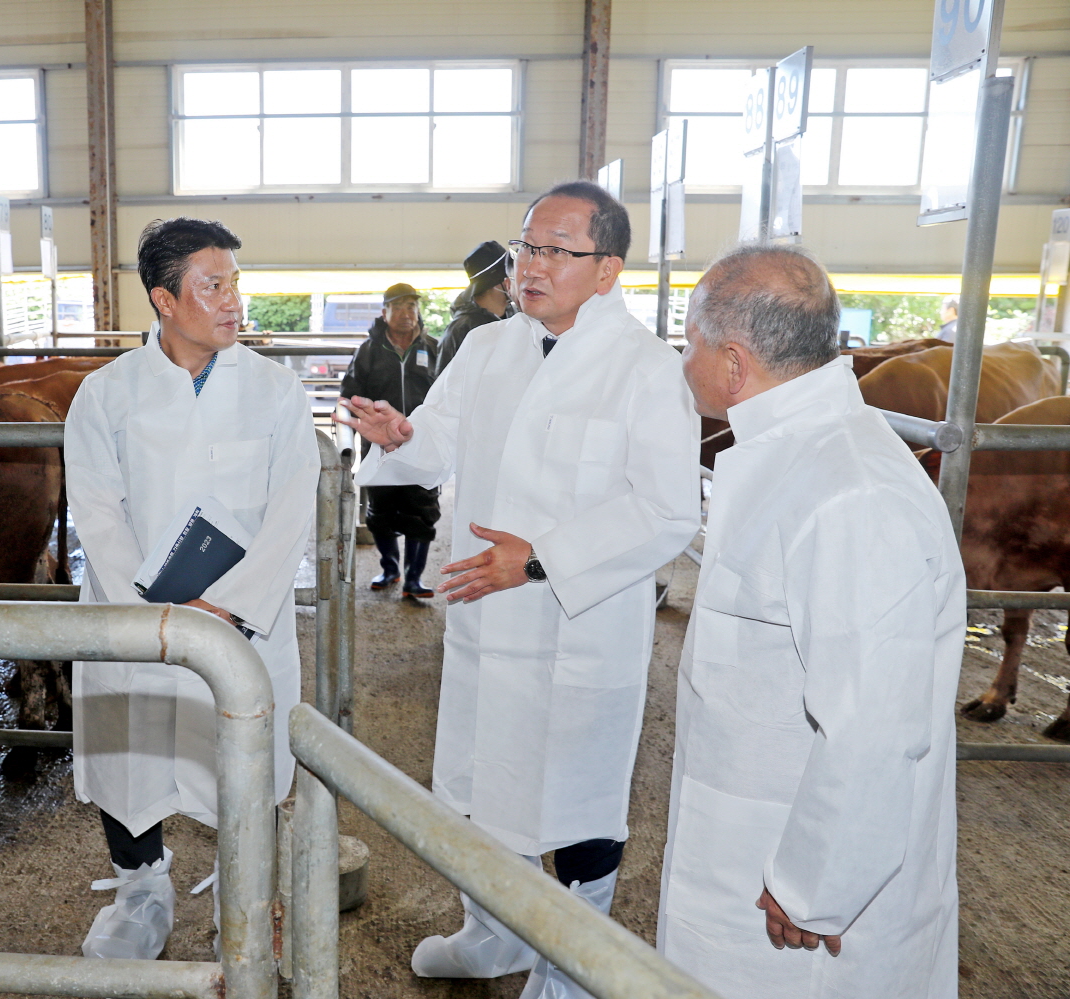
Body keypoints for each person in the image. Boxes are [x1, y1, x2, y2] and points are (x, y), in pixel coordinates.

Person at [338, 181, 701, 999]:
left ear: (607, 269)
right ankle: (491, 931)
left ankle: (572, 963)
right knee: (480, 783)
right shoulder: (491, 346)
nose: (530, 266)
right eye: (525, 247)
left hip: (579, 622)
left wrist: (539, 559)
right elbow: (434, 444)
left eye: (555, 251)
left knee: (578, 796)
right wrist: (402, 437)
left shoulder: (645, 368)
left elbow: (668, 510)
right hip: (487, 612)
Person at [658, 244, 964, 998]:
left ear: (733, 361)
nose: (682, 359)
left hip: (800, 910)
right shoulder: (792, 456)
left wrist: (815, 882)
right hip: (747, 847)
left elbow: (877, 722)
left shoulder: (848, 491)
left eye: (689, 341)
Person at [64, 217, 319, 961]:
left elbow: (289, 511)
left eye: (235, 282)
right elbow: (99, 515)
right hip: (136, 618)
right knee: (131, 760)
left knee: (247, 766)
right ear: (165, 299)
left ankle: (244, 902)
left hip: (245, 622)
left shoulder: (276, 391)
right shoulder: (105, 395)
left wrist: (226, 607)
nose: (233, 299)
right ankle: (141, 887)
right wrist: (156, 611)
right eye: (214, 285)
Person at [339, 282, 441, 598]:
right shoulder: (368, 351)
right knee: (381, 511)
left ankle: (413, 578)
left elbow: (448, 396)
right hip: (381, 447)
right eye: (399, 307)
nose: (407, 313)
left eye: (412, 306)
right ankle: (390, 568)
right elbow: (350, 394)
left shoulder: (433, 348)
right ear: (385, 313)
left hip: (421, 444)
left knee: (422, 508)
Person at [435, 240, 514, 375]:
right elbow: (443, 386)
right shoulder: (461, 329)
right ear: (498, 282)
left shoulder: (517, 319)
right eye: (511, 276)